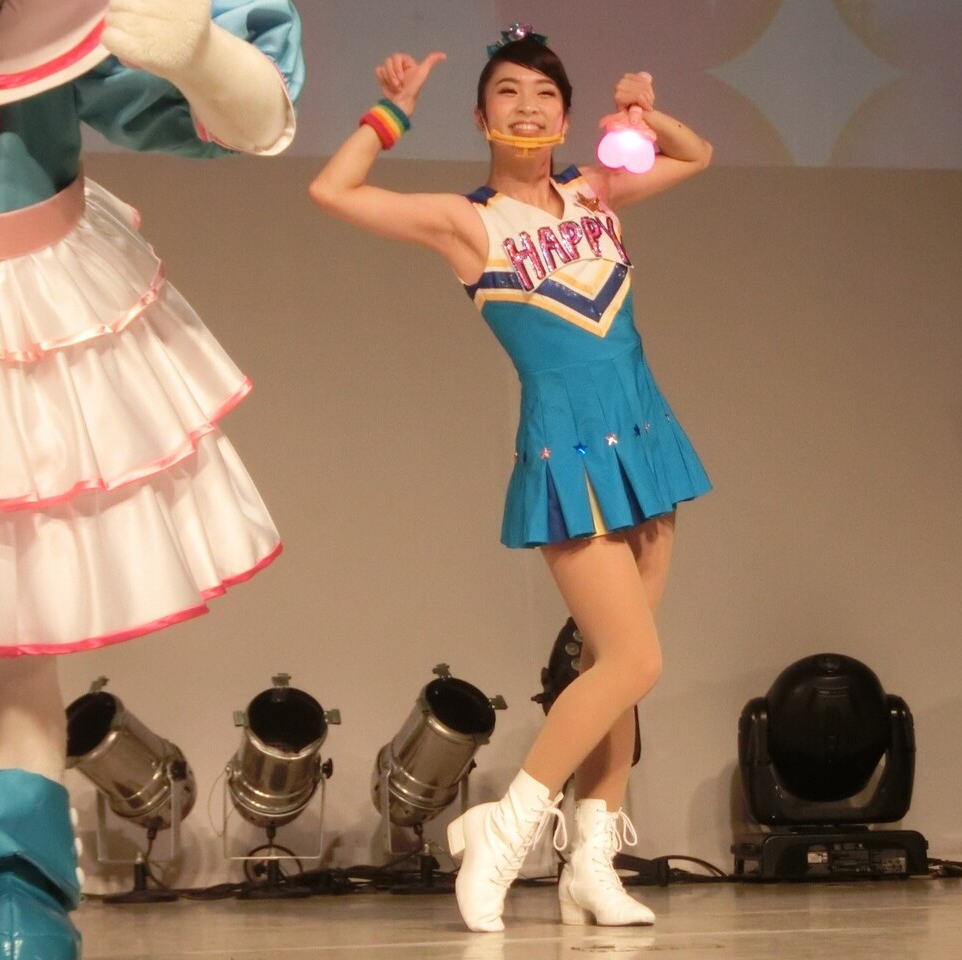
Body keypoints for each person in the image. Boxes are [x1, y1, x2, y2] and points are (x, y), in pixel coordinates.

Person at [0, 2, 302, 957]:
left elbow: (244, 115)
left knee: (4, 614)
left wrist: (197, 51)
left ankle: (7, 872)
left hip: (13, 320)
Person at [309, 27, 712, 933]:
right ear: (481, 113)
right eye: (508, 92)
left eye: (544, 94)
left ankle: (591, 866)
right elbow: (332, 189)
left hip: (644, 437)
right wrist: (390, 114)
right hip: (567, 450)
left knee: (617, 672)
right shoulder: (469, 222)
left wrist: (643, 115)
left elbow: (697, 155)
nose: (527, 107)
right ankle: (505, 828)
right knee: (635, 659)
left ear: (565, 115)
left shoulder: (595, 190)